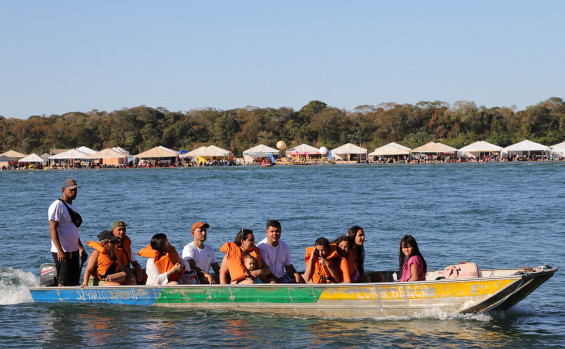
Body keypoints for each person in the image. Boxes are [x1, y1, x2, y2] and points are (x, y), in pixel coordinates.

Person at [48, 178, 88, 286]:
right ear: (63, 190)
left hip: (73, 249)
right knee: (63, 282)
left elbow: (73, 229)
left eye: (75, 190)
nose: (74, 192)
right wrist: (60, 250)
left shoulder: (73, 206)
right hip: (62, 251)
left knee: (74, 282)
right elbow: (53, 229)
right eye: (71, 190)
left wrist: (80, 248)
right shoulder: (57, 205)